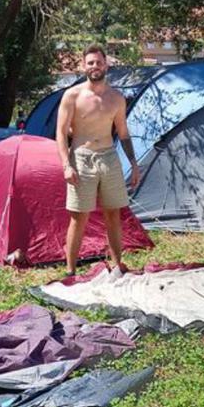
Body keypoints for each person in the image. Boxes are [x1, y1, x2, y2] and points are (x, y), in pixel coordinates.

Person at [56, 44, 140, 277]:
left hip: (109, 157)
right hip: (81, 158)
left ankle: (117, 265)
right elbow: (61, 133)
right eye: (90, 62)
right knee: (79, 216)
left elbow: (122, 132)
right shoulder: (72, 96)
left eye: (99, 62)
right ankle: (70, 270)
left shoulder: (116, 98)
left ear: (106, 64)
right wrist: (66, 165)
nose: (95, 66)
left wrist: (133, 163)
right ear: (84, 66)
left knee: (113, 213)